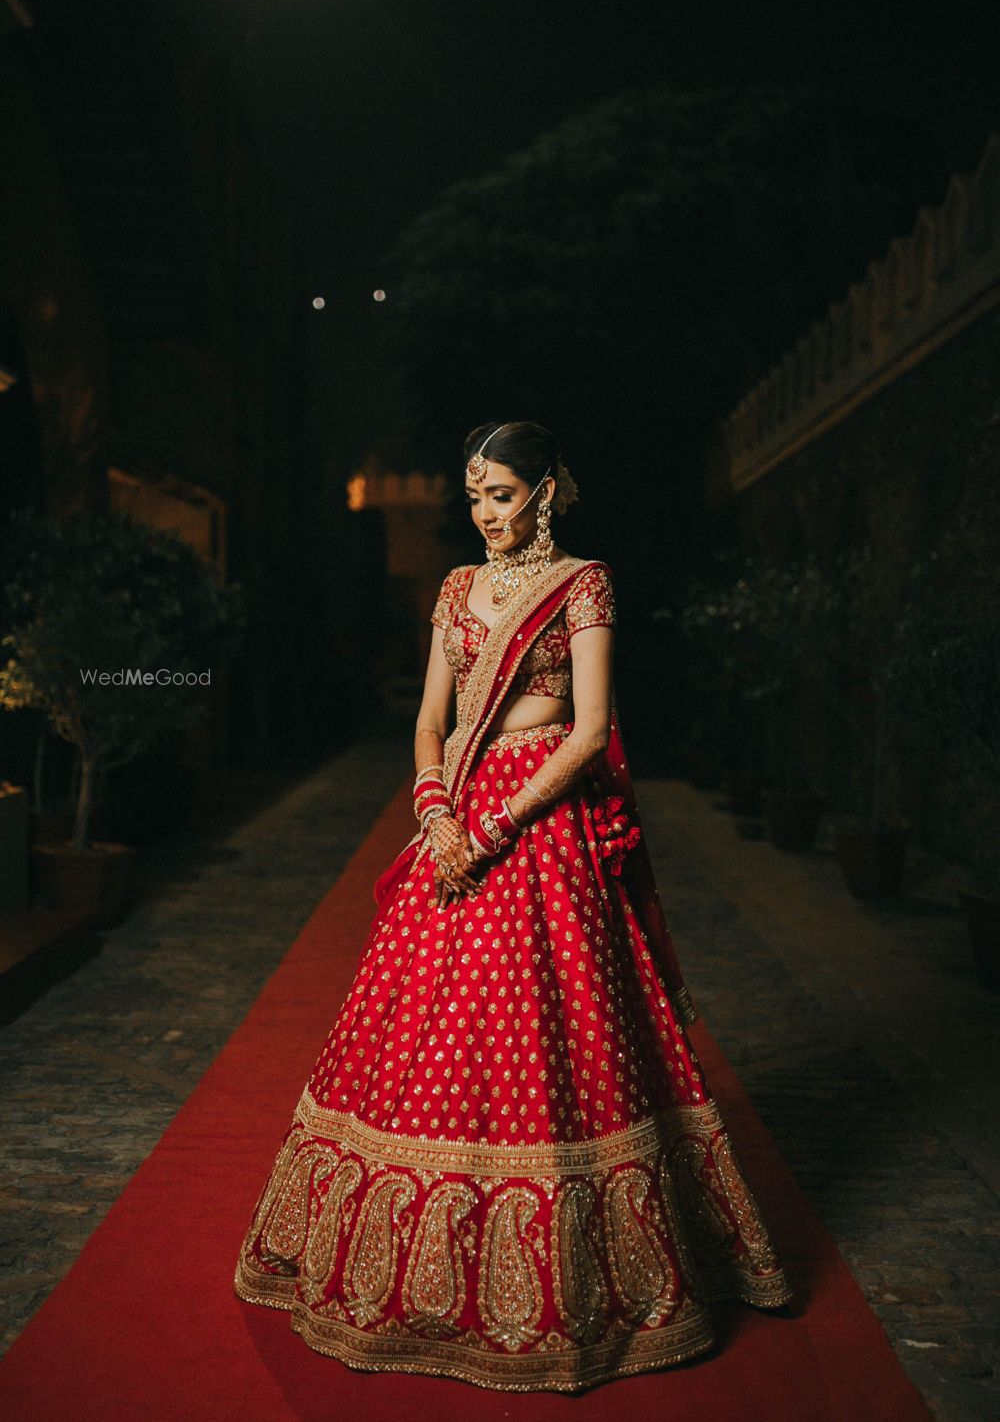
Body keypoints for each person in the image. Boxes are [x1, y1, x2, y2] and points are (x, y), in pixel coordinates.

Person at [234, 420, 793, 1392]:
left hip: (541, 823)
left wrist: (496, 828)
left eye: (502, 494)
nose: (487, 514)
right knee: (425, 1028)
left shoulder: (583, 584)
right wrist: (438, 810)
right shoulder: (455, 590)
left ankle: (572, 1280)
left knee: (553, 1028)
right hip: (456, 819)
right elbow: (428, 721)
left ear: (546, 491)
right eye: (475, 497)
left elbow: (591, 729)